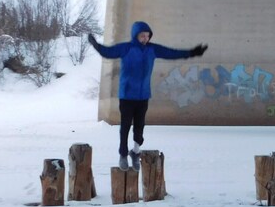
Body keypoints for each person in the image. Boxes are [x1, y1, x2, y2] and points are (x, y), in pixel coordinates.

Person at [88, 22, 208, 170]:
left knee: (139, 127)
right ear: (135, 35)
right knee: (125, 127)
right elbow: (108, 52)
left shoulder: (152, 49)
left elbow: (171, 53)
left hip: (143, 95)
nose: (145, 39)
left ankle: (135, 152)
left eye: (147, 36)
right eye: (142, 36)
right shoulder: (126, 48)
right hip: (126, 95)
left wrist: (191, 53)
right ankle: (123, 155)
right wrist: (96, 45)